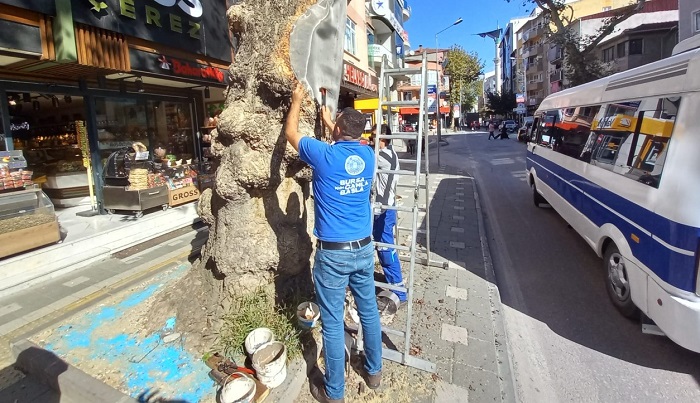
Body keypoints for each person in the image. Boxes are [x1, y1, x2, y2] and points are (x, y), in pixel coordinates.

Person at [285, 83, 382, 403]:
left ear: (338, 129)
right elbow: (349, 139)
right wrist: (331, 122)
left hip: (334, 256)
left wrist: (297, 100)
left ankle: (334, 393)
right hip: (364, 249)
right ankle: (374, 372)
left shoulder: (324, 155)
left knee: (330, 322)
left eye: (335, 123)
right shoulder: (368, 155)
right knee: (368, 311)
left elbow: (290, 133)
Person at [369, 124, 407, 306]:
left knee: (385, 248)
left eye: (374, 137)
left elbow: (359, 148)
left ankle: (399, 292)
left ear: (383, 139)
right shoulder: (386, 154)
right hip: (381, 208)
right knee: (380, 244)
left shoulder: (384, 157)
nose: (371, 140)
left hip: (384, 209)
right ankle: (394, 283)